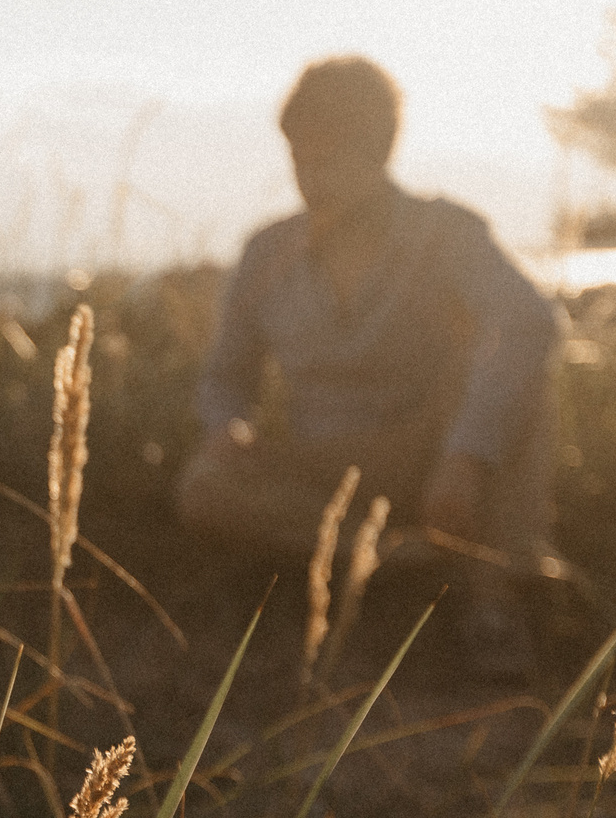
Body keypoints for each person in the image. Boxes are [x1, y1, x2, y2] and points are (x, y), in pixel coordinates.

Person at [177, 56, 558, 676]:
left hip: (431, 455)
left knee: (525, 391)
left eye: (328, 158)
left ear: (377, 151)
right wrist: (229, 427)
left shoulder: (445, 233)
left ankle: (491, 601)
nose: (310, 178)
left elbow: (528, 322)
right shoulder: (267, 251)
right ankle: (407, 561)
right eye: (300, 158)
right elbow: (225, 376)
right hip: (320, 465)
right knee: (205, 487)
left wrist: (465, 455)